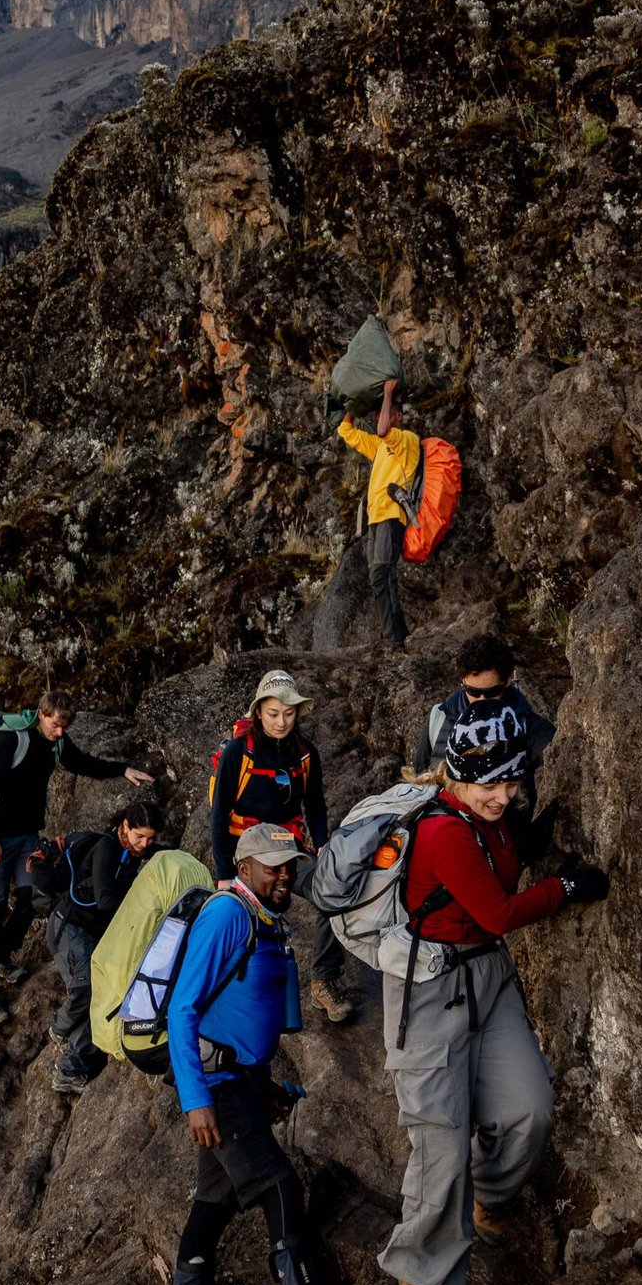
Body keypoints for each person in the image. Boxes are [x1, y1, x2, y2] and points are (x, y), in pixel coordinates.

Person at [380, 704, 609, 1285]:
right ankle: (420, 1271)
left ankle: (490, 1196)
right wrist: (564, 888)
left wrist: (530, 840)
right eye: (490, 786)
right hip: (427, 986)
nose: (504, 797)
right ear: (456, 778)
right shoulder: (444, 831)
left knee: (529, 1108)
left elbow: (499, 868)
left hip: (487, 974)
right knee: (440, 1138)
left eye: (511, 783)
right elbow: (498, 913)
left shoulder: (494, 821)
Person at [149, 824, 324, 1285]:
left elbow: (241, 1014)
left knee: (215, 1201)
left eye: (290, 865)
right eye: (273, 865)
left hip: (238, 1080)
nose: (284, 876)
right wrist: (195, 1098)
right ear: (245, 866)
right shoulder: (228, 915)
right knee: (279, 1186)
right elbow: (182, 1009)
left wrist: (265, 1087)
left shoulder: (265, 920)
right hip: (214, 1084)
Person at [0, 690, 151, 1031]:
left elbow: (83, 764)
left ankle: (2, 957)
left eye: (65, 726)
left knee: (28, 901)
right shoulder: (10, 739)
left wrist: (123, 769)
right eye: (55, 724)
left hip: (26, 836)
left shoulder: (57, 744)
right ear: (41, 713)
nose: (59, 731)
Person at [209, 670, 352, 1025]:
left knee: (332, 892)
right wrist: (225, 874)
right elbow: (218, 814)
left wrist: (322, 845)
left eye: (288, 714)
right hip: (247, 851)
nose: (281, 721)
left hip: (289, 845)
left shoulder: (305, 754)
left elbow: (315, 804)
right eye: (273, 713)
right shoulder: (238, 753)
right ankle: (235, 992)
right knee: (242, 920)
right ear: (258, 712)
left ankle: (323, 980)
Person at [47, 804, 160, 1098]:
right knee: (85, 988)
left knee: (103, 996)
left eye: (150, 839)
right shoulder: (107, 848)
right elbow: (105, 900)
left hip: (94, 933)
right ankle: (58, 1028)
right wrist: (142, 905)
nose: (144, 845)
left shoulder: (136, 851)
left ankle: (70, 1070)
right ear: (125, 826)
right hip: (69, 926)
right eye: (139, 837)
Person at [413, 633, 556, 821]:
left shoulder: (535, 731)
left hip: (503, 842)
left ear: (508, 681)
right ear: (462, 682)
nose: (481, 700)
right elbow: (418, 780)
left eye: (492, 692)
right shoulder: (439, 717)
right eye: (472, 692)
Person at [338, 375, 420, 652]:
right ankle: (399, 635)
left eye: (386, 413)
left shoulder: (407, 440)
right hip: (375, 519)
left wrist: (386, 394)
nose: (379, 420)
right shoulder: (380, 448)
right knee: (380, 577)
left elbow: (384, 429)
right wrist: (354, 401)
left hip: (391, 517)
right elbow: (345, 431)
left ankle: (394, 639)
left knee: (382, 575)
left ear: (398, 415)